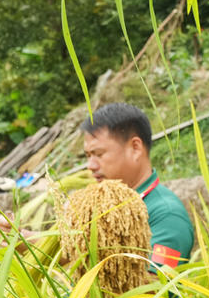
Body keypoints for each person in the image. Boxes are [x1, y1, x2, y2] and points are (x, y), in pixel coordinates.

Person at [81, 102, 194, 270]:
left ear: (135, 148)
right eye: (88, 156)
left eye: (98, 154)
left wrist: (82, 252)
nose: (90, 165)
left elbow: (151, 289)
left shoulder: (167, 215)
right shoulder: (103, 207)